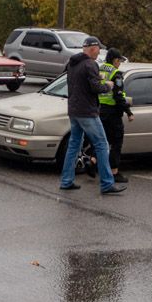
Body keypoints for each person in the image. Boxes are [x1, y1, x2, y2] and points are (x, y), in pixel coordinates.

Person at [59, 36, 126, 196]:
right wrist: (108, 85)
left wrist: (98, 80)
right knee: (102, 144)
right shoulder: (90, 64)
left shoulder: (72, 63)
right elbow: (96, 87)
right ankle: (107, 183)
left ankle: (66, 181)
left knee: (74, 144)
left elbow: (80, 84)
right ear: (93, 48)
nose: (99, 52)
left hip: (74, 110)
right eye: (98, 49)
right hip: (87, 112)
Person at [96, 48, 134, 183]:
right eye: (119, 61)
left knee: (103, 140)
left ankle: (93, 161)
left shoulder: (99, 69)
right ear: (115, 60)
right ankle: (114, 172)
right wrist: (128, 112)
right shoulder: (116, 74)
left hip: (99, 110)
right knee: (116, 142)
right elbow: (118, 96)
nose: (120, 64)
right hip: (113, 112)